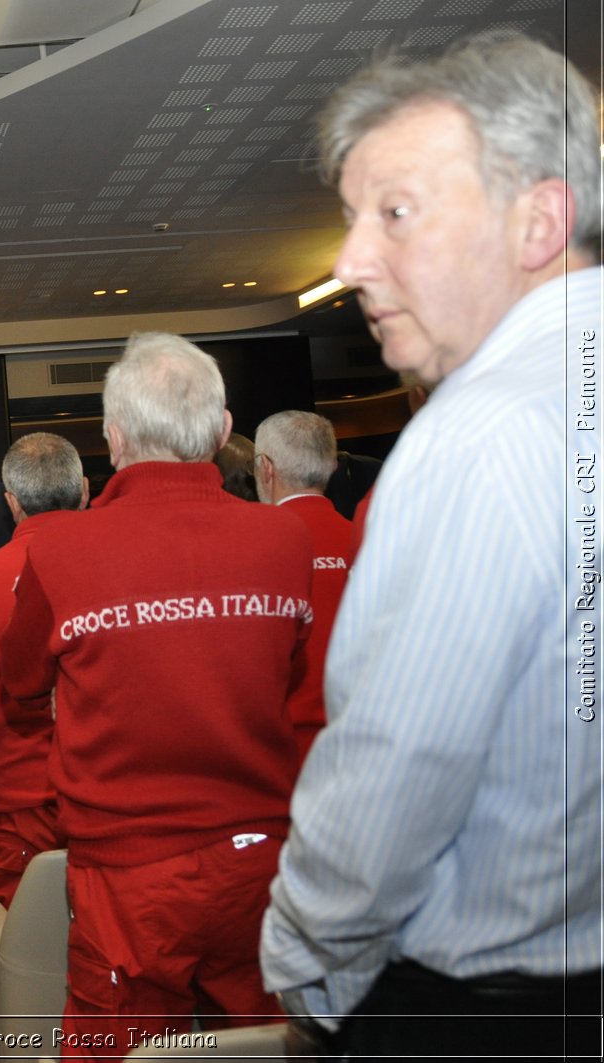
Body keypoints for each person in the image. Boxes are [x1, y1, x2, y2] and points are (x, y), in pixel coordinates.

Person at [260, 32, 603, 1060]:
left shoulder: (479, 435)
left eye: (394, 213)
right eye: (352, 219)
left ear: (538, 218)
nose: (351, 260)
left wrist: (306, 965)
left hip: (481, 1005)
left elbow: (394, 775)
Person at [0, 332, 312, 1051]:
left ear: (112, 438)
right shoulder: (283, 540)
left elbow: (18, 689)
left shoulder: (58, 549)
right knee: (262, 1047)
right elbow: (284, 674)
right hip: (260, 864)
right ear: (224, 430)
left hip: (127, 875)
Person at [0, 433, 87, 907]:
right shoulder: (123, 567)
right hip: (110, 792)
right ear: (84, 490)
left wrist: (14, 722)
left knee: (22, 947)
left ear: (11, 502)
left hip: (21, 790)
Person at [252, 410, 353, 764]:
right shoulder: (368, 539)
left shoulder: (252, 550)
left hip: (284, 758)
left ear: (265, 469)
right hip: (362, 752)